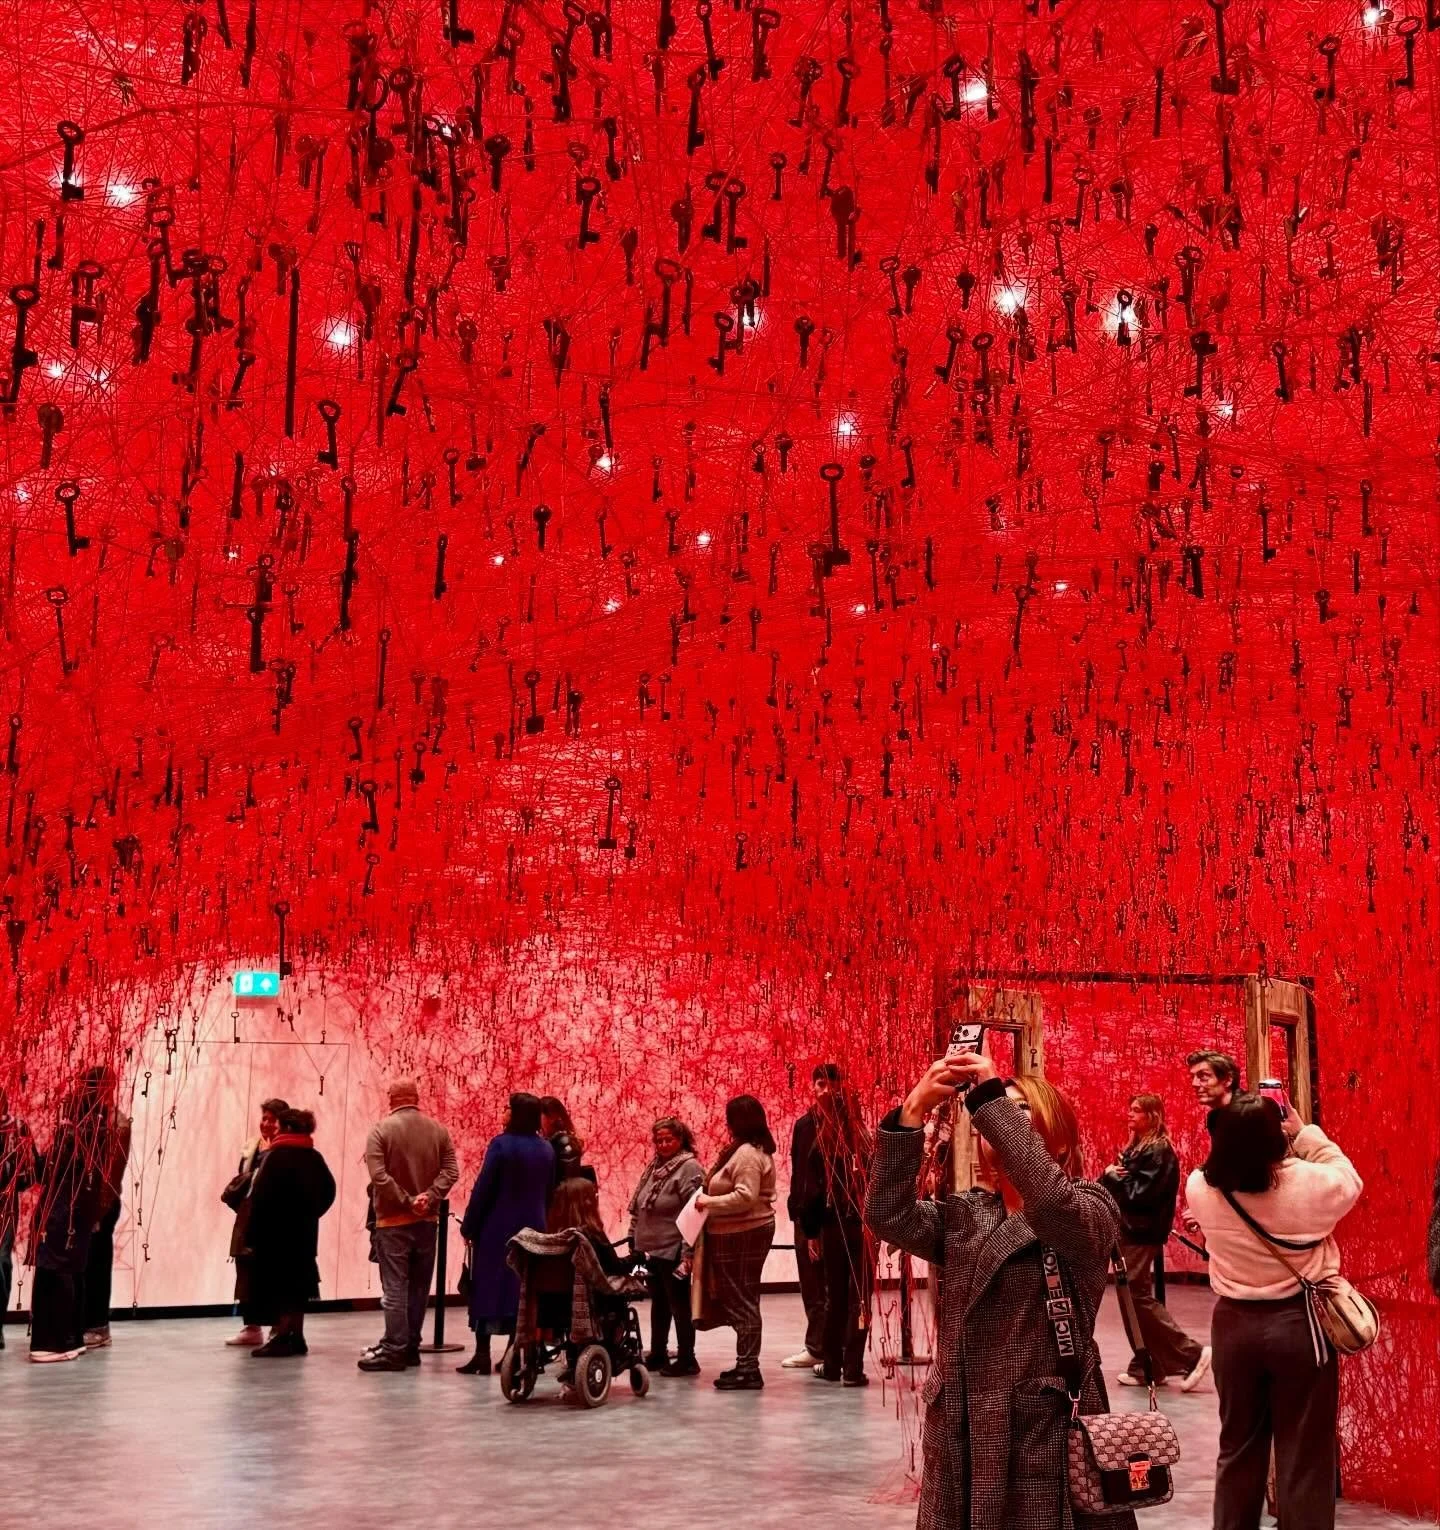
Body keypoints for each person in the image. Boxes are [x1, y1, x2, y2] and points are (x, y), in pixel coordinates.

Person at [865, 1049, 1135, 1530]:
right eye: (995, 1111)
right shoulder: (970, 1213)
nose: (997, 1122)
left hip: (1044, 1429)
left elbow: (1051, 1200)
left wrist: (989, 1094)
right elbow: (888, 1215)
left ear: (1056, 1139)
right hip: (962, 1425)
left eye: (1016, 1112)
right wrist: (912, 1112)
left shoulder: (1092, 1209)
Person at [1186, 1094, 1363, 1530]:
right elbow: (1347, 1178)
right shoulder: (1309, 1184)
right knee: (1304, 1450)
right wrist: (1304, 1132)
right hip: (1300, 1325)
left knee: (1238, 1448)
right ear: (1277, 1136)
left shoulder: (1200, 1187)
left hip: (1233, 1327)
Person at [1100, 1093, 1210, 1391]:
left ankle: (1191, 1354)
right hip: (1130, 1229)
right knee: (1130, 1297)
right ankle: (1148, 1365)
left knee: (1135, 1296)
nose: (1130, 1114)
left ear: (1152, 1116)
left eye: (1137, 1110)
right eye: (1130, 1108)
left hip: (1140, 1231)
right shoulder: (1138, 1149)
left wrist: (1113, 1178)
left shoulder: (1159, 1152)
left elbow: (1141, 1196)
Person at [358, 1079, 460, 1372]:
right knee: (418, 1289)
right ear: (416, 1098)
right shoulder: (438, 1131)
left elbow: (379, 1176)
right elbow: (451, 1170)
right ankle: (411, 1346)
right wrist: (430, 1196)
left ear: (392, 1098)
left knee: (394, 1289)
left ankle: (394, 1349)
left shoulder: (380, 1131)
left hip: (392, 1222)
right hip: (427, 1222)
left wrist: (406, 1200)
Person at [28, 1067, 125, 1362]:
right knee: (76, 1268)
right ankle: (76, 1335)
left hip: (79, 1208)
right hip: (79, 1208)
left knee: (66, 1268)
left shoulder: (100, 1129)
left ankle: (68, 1337)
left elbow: (106, 1174)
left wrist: (97, 1213)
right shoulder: (90, 1128)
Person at [457, 1091, 555, 1375]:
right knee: (520, 1291)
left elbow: (484, 1189)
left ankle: (482, 1355)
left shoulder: (501, 1146)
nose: (503, 1113)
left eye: (506, 1108)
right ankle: (513, 1355)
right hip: (534, 1228)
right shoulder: (546, 1149)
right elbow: (548, 1193)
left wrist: (470, 1225)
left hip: (497, 1229)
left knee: (486, 1289)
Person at [693, 1095, 777, 1391]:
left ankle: (749, 1368)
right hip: (738, 1232)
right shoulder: (745, 1151)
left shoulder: (747, 1155)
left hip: (743, 1232)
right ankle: (745, 1364)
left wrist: (708, 1202)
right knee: (742, 1297)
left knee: (742, 1299)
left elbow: (745, 1197)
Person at [245, 1106, 336, 1358]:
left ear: (285, 1127)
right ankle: (297, 1335)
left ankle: (283, 1336)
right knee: (299, 1286)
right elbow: (329, 1191)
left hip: (275, 1237)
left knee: (280, 1286)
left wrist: (252, 1235)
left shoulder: (277, 1156)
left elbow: (260, 1199)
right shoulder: (313, 1157)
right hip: (305, 1236)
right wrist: (311, 1214)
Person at [799, 1087, 874, 1386]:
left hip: (832, 1228)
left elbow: (812, 1195)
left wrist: (811, 1232)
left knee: (836, 1298)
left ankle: (831, 1364)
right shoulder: (867, 1145)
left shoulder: (822, 1146)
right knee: (861, 1298)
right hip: (863, 1227)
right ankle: (853, 1369)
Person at [627, 1115, 704, 1375]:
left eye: (668, 1139)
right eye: (658, 1140)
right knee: (659, 1303)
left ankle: (687, 1358)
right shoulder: (655, 1166)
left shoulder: (689, 1168)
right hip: (652, 1249)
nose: (662, 1144)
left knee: (679, 1305)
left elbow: (695, 1214)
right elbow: (639, 1206)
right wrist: (633, 1238)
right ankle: (658, 1352)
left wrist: (688, 1254)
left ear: (681, 1139)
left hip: (673, 1250)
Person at [783, 1062, 841, 1370]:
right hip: (807, 1211)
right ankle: (816, 1345)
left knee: (834, 1284)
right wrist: (799, 1212)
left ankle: (831, 1346)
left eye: (831, 1084)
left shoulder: (846, 1124)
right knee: (812, 1283)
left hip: (836, 1215)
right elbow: (801, 1172)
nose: (825, 1090)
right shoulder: (805, 1125)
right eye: (819, 1083)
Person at [222, 1096, 287, 1347]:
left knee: (271, 1276)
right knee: (246, 1274)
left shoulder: (284, 1151)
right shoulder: (252, 1148)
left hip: (273, 1224)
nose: (267, 1124)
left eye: (273, 1120)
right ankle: (251, 1327)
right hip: (248, 1219)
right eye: (264, 1119)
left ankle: (277, 1327)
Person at [80, 1066, 132, 1350]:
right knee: (87, 1265)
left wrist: (98, 1213)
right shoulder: (95, 1121)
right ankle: (89, 1321)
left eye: (90, 1086)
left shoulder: (116, 1124)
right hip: (90, 1203)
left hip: (102, 1205)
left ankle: (98, 1325)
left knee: (97, 1265)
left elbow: (112, 1174)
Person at [0, 1088, 37, 1350]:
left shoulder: (18, 1128)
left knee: (2, 1262)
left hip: (5, 1204)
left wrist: (13, 1178)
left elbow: (31, 1171)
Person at [539, 1096, 595, 1184]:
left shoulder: (565, 1143)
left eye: (539, 1115)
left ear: (552, 1117)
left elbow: (566, 1180)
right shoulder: (551, 1140)